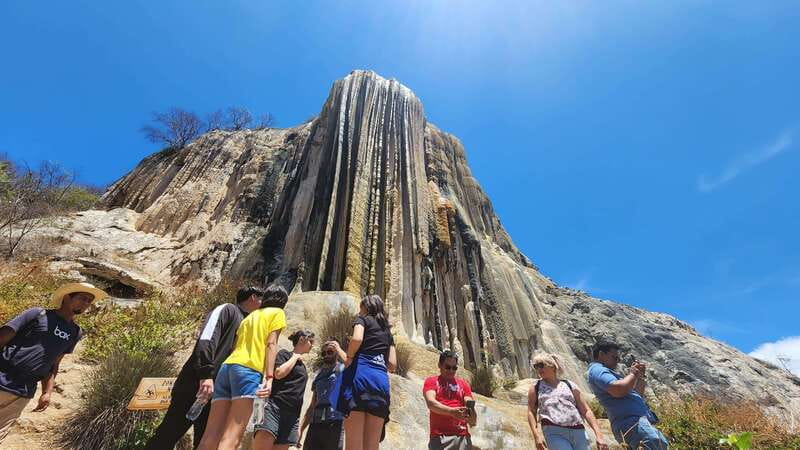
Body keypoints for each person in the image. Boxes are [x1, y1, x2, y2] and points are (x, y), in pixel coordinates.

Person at [144, 286, 266, 449]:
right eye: (262, 298)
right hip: (197, 385)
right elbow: (207, 338)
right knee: (168, 434)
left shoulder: (249, 324)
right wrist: (205, 375)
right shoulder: (228, 310)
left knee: (205, 442)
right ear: (253, 297)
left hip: (219, 394)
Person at [0, 282, 107, 443]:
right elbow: (2, 338)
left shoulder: (75, 332)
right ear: (66, 297)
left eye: (89, 301)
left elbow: (54, 364)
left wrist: (47, 392)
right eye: (82, 298)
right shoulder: (37, 314)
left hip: (23, 392)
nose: (85, 304)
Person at [197, 284, 289, 450]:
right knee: (232, 437)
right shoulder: (278, 313)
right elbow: (271, 343)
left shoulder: (248, 318)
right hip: (248, 370)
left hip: (227, 368)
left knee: (210, 435)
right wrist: (269, 378)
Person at [331, 295, 397, 450]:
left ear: (366, 308)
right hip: (380, 385)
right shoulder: (388, 332)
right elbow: (392, 364)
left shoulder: (362, 320)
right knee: (372, 446)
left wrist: (350, 356)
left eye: (361, 308)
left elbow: (357, 339)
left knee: (354, 445)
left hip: (359, 379)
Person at [587, 342, 668, 449]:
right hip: (630, 421)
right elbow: (618, 389)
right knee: (654, 441)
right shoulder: (597, 369)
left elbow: (637, 395)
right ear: (601, 354)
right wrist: (632, 374)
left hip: (638, 421)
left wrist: (640, 376)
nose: (617, 362)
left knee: (659, 443)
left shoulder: (609, 373)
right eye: (614, 358)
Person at [527, 353, 608, 450]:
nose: (538, 369)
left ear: (553, 366)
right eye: (535, 366)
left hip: (578, 431)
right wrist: (536, 435)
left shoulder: (569, 385)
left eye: (541, 365)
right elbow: (531, 411)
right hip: (554, 431)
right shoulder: (536, 386)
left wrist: (599, 435)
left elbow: (586, 411)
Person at [252, 330, 314, 450]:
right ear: (302, 339)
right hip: (273, 408)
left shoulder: (303, 366)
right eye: (311, 341)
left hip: (291, 415)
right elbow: (279, 373)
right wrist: (295, 356)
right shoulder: (284, 354)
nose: (312, 345)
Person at [423, 350, 477, 450]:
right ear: (440, 365)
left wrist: (470, 411)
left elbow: (472, 419)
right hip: (440, 437)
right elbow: (431, 403)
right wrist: (451, 412)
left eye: (454, 368)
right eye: (448, 367)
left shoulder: (463, 384)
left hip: (462, 437)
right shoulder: (432, 381)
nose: (451, 371)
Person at [299, 340, 347, 450]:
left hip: (334, 423)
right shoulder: (319, 375)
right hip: (316, 424)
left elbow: (352, 364)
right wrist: (301, 429)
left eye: (330, 352)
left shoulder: (342, 370)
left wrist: (339, 349)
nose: (326, 355)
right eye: (323, 353)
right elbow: (312, 405)